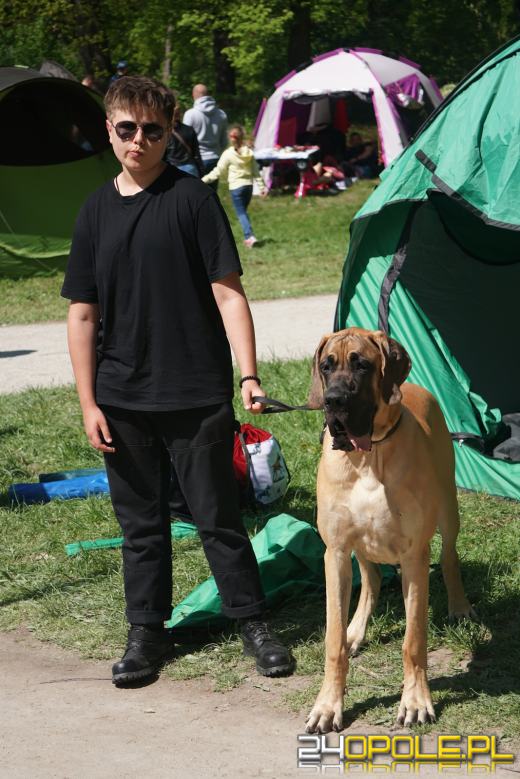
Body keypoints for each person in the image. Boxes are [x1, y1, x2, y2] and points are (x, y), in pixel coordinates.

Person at [61, 76, 295, 686]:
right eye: (126, 129)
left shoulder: (192, 200)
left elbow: (228, 294)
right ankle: (146, 633)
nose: (139, 140)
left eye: (153, 130)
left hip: (195, 393)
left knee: (218, 516)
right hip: (121, 397)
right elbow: (82, 312)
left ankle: (253, 622)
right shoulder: (92, 211)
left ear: (171, 133)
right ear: (109, 128)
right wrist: (88, 401)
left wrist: (248, 374)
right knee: (140, 526)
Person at [202, 125, 266, 248]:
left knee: (241, 213)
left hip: (236, 188)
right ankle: (248, 235)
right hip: (248, 187)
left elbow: (218, 171)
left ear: (230, 138)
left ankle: (249, 236)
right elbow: (256, 172)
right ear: (242, 137)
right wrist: (262, 187)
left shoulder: (228, 154)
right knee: (243, 212)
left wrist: (203, 180)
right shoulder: (249, 152)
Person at [183, 83, 227, 189]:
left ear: (194, 95)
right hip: (215, 157)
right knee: (212, 193)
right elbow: (224, 140)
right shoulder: (221, 114)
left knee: (195, 194)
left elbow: (185, 139)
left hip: (196, 160)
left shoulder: (190, 114)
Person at [164, 102, 203, 177]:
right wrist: (201, 170)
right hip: (190, 167)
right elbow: (196, 153)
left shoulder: (165, 132)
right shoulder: (189, 130)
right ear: (180, 114)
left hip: (171, 168)